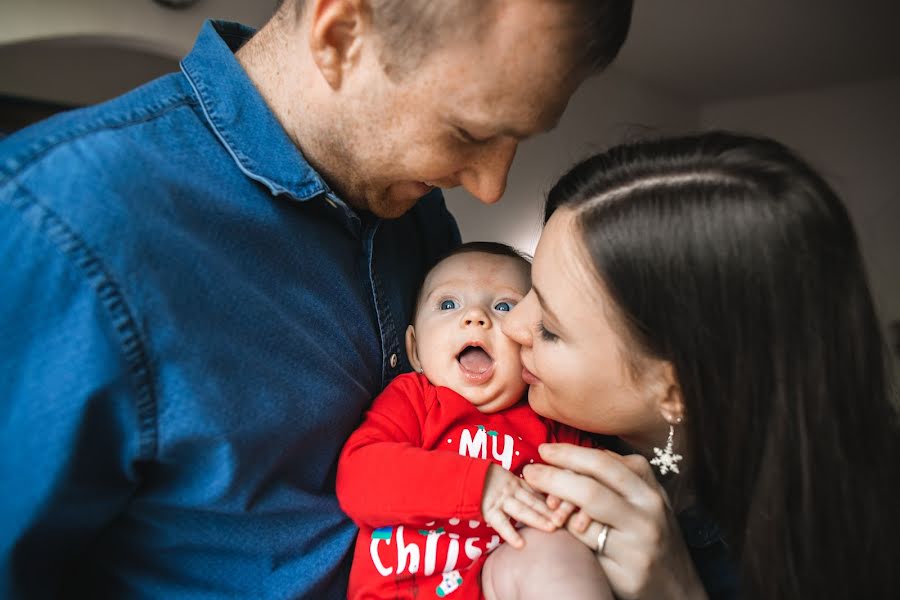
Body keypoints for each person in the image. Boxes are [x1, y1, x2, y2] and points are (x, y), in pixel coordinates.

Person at [0, 0, 633, 597]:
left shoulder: (416, 218)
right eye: (469, 131)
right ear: (339, 36)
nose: (491, 187)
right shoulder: (60, 222)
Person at [484, 131, 900, 600]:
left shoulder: (865, 529)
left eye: (552, 330)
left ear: (675, 390)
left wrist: (677, 591)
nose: (512, 324)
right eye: (531, 285)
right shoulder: (495, 421)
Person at [337, 242, 613, 600]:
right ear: (415, 350)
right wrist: (477, 486)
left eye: (503, 306)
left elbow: (596, 489)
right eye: (448, 304)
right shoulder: (414, 399)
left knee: (559, 557)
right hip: (402, 592)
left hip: (511, 580)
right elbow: (359, 477)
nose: (476, 317)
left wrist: (575, 512)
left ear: (532, 344)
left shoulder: (550, 418)